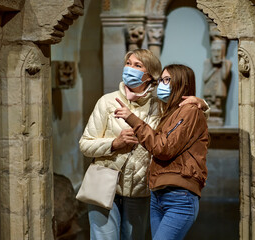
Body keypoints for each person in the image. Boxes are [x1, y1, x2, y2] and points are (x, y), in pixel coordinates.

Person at [79, 49, 208, 240]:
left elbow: (189, 121)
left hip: (140, 191)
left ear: (150, 76)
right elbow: (85, 145)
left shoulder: (161, 105)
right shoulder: (107, 102)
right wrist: (114, 143)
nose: (130, 69)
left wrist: (202, 103)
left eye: (138, 65)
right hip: (104, 186)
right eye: (128, 63)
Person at [114, 64, 209, 240]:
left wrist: (132, 119)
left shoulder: (189, 110)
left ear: (181, 84)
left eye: (167, 80)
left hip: (179, 196)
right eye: (161, 80)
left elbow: (162, 148)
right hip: (159, 194)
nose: (162, 85)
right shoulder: (170, 111)